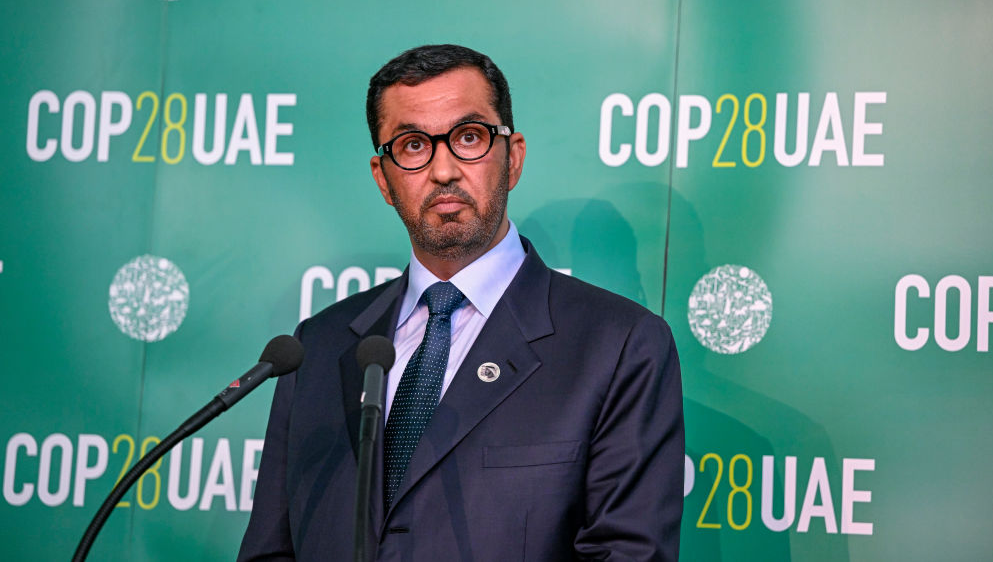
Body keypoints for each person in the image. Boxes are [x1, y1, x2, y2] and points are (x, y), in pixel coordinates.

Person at [238, 44, 685, 561]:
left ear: (512, 158)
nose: (444, 170)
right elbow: (271, 551)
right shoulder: (318, 346)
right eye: (411, 146)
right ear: (383, 178)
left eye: (468, 138)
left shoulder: (618, 346)